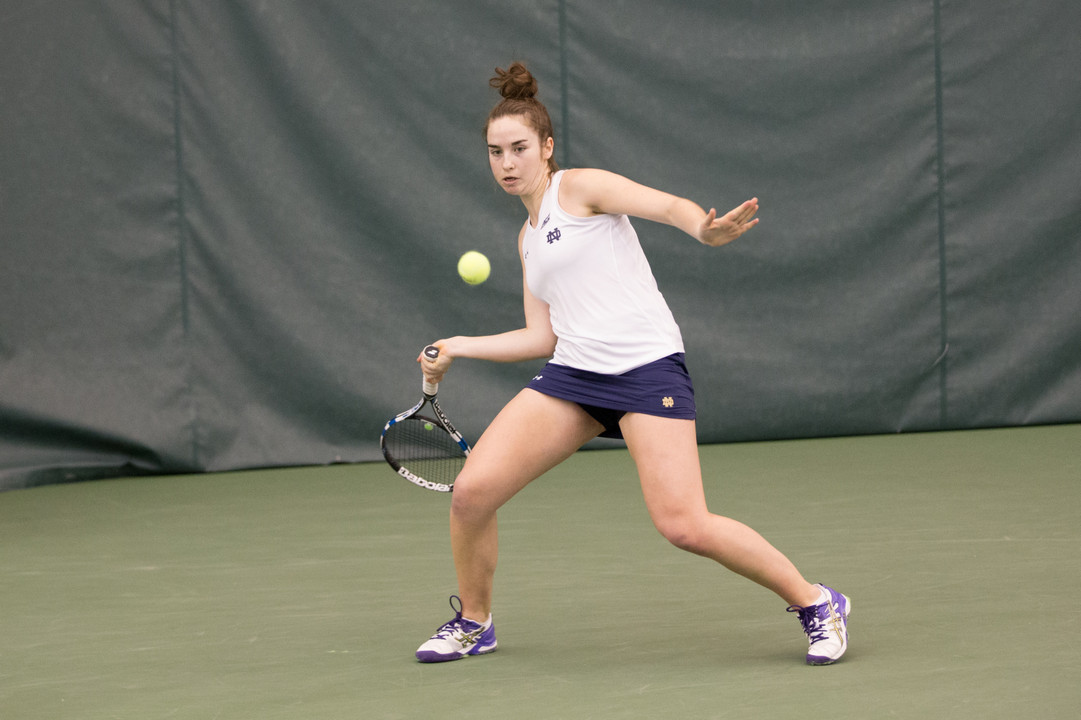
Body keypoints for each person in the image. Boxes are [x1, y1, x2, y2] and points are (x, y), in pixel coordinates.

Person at [413, 62, 850, 666]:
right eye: (495, 152)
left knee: (684, 525)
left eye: (518, 149)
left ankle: (817, 602)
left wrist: (703, 227)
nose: (507, 163)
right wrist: (461, 345)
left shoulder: (579, 188)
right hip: (574, 376)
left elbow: (665, 204)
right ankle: (474, 621)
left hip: (646, 369)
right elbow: (543, 335)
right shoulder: (527, 237)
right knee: (471, 494)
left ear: (546, 147)